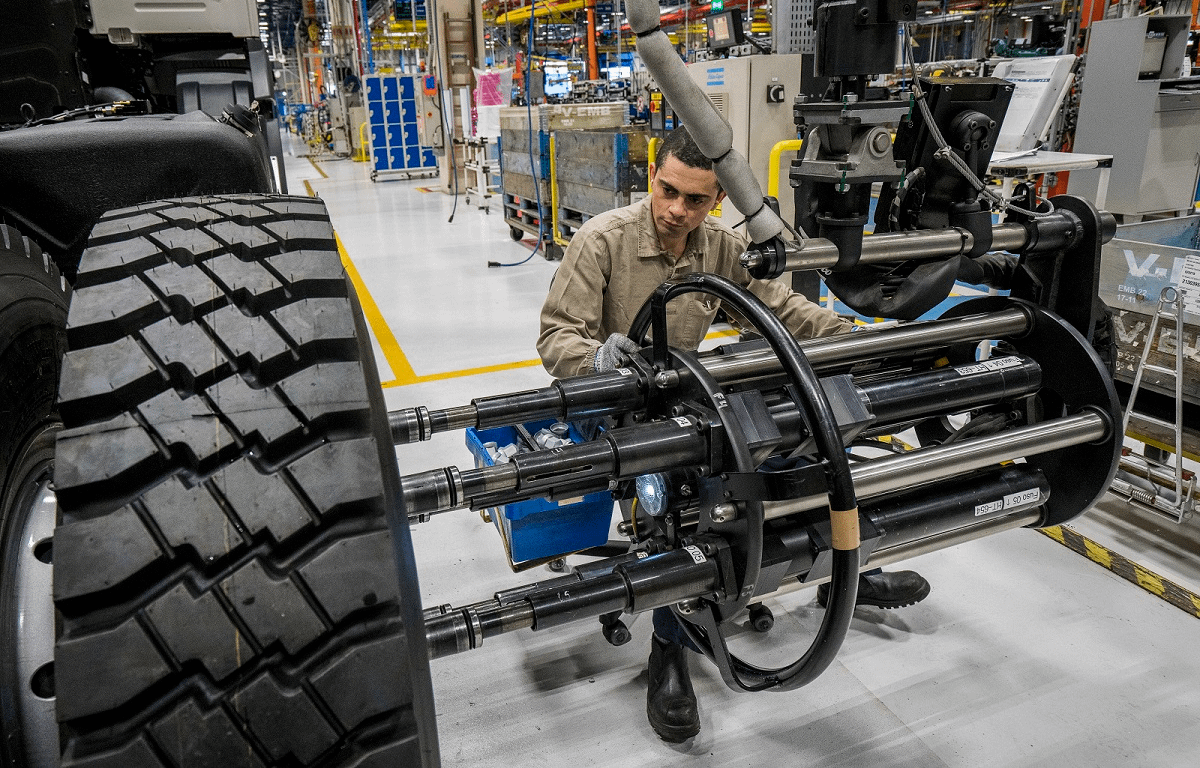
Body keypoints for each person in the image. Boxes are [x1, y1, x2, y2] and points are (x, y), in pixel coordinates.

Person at [536, 126, 931, 743]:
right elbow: (557, 338)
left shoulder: (718, 247)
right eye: (668, 191)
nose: (676, 210)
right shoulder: (602, 241)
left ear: (716, 200)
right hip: (616, 405)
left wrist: (853, 341)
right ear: (652, 177)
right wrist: (600, 361)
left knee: (816, 429)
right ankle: (669, 649)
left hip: (688, 397)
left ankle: (843, 568)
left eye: (695, 200)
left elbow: (778, 310)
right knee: (691, 496)